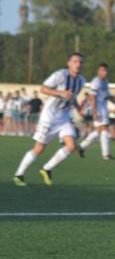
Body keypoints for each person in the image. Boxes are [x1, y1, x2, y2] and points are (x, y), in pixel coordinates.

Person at [13, 52, 86, 187]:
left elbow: (73, 97)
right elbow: (43, 88)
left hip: (64, 117)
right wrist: (60, 93)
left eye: (81, 62)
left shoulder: (81, 80)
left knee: (71, 145)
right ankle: (19, 174)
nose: (78, 64)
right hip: (49, 117)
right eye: (75, 61)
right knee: (39, 149)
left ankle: (47, 168)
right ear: (69, 63)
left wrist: (78, 108)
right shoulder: (60, 75)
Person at [78, 63, 115, 160]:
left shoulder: (106, 82)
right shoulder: (96, 81)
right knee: (103, 129)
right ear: (98, 71)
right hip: (98, 107)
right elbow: (92, 97)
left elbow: (108, 95)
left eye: (106, 70)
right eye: (103, 70)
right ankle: (106, 154)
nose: (105, 72)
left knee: (100, 130)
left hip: (103, 107)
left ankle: (81, 147)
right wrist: (95, 112)